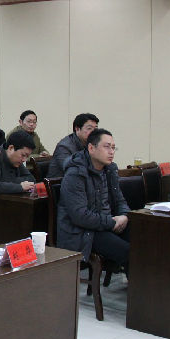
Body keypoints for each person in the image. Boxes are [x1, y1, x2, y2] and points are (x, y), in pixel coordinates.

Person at [57, 128, 130, 271]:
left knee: (144, 240)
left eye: (113, 148)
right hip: (83, 232)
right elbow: (80, 216)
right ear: (91, 148)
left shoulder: (110, 169)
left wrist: (124, 216)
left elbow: (120, 200)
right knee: (128, 252)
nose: (111, 152)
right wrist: (111, 222)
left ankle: (146, 282)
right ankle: (139, 285)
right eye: (107, 147)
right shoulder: (75, 173)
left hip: (105, 224)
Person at [48, 113, 99, 178]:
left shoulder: (92, 144)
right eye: (89, 128)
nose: (94, 132)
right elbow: (71, 170)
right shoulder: (64, 147)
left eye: (95, 129)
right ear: (77, 129)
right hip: (60, 182)